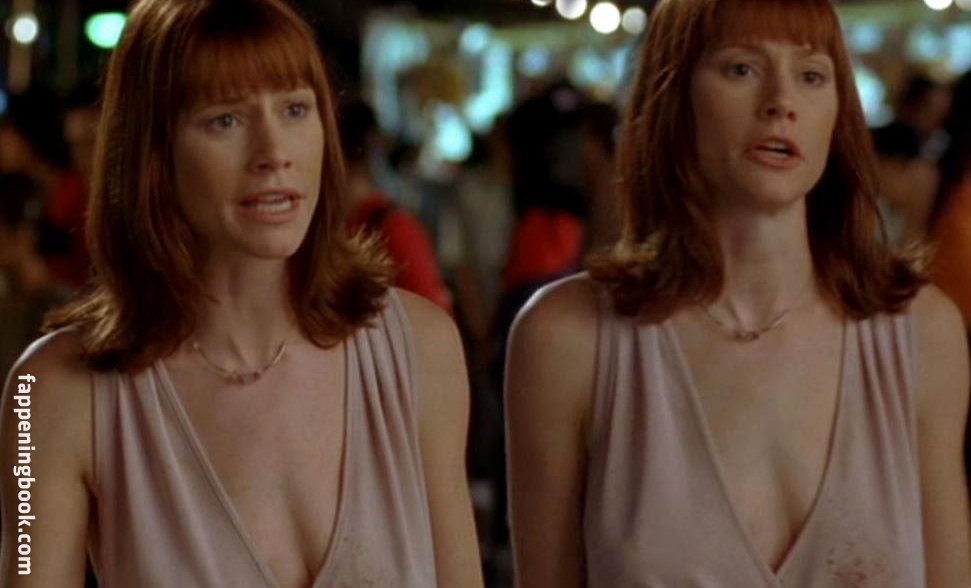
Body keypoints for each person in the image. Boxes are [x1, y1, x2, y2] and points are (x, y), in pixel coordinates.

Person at [0, 1, 483, 586]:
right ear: (153, 151)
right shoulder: (48, 394)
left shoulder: (421, 350)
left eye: (295, 109)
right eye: (225, 120)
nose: (273, 153)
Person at [505, 0, 971, 586]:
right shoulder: (567, 340)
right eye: (742, 69)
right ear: (673, 100)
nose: (781, 102)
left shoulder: (920, 332)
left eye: (811, 75)